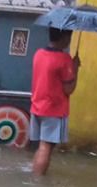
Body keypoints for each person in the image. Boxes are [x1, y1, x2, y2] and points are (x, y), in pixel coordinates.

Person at [30, 27, 81, 175]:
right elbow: (69, 89)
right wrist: (75, 69)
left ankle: (34, 175)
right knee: (46, 147)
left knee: (42, 146)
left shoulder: (38, 54)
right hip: (54, 110)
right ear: (65, 38)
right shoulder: (64, 59)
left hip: (37, 106)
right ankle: (38, 182)